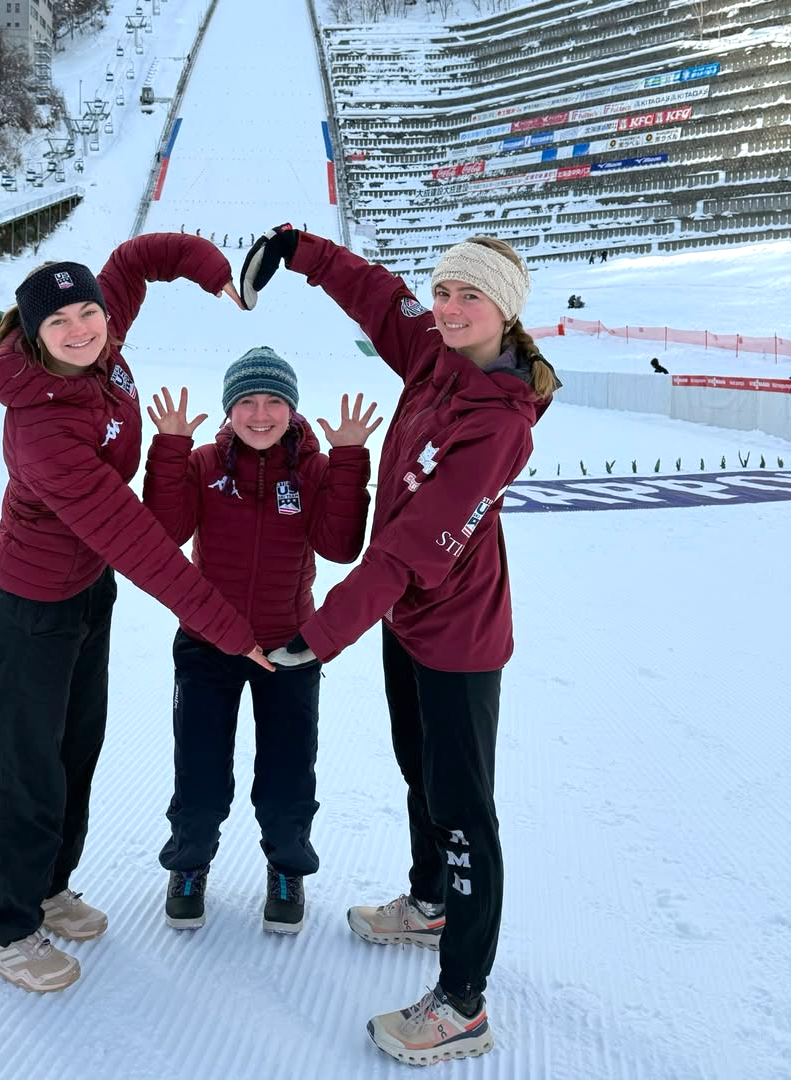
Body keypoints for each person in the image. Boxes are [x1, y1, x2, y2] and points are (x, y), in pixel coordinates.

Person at [239, 225, 559, 1066]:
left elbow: (415, 547)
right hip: (406, 622)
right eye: (444, 291)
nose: (447, 309)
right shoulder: (433, 353)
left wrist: (321, 634)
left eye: (469, 297)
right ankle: (430, 903)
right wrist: (299, 251)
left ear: (505, 312)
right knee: (420, 771)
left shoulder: (499, 420)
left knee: (463, 810)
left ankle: (462, 1004)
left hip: (458, 636)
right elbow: (381, 296)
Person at [0, 236, 273, 995]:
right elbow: (139, 543)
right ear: (33, 334)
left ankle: (46, 886)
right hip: (29, 606)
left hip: (83, 590)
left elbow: (137, 260)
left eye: (87, 313)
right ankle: (1, 929)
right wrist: (231, 631)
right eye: (58, 321)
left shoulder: (101, 344)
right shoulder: (43, 427)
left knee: (73, 750)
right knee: (20, 765)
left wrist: (217, 276)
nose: (80, 329)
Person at [142, 348, 377, 935]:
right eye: (247, 401)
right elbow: (164, 534)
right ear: (229, 409)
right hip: (208, 646)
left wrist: (349, 461)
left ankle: (286, 870)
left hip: (289, 649)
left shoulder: (314, 471)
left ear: (292, 409)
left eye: (274, 401)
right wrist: (169, 449)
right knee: (199, 773)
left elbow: (341, 547)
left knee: (287, 778)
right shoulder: (203, 464)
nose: (261, 414)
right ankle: (189, 866)